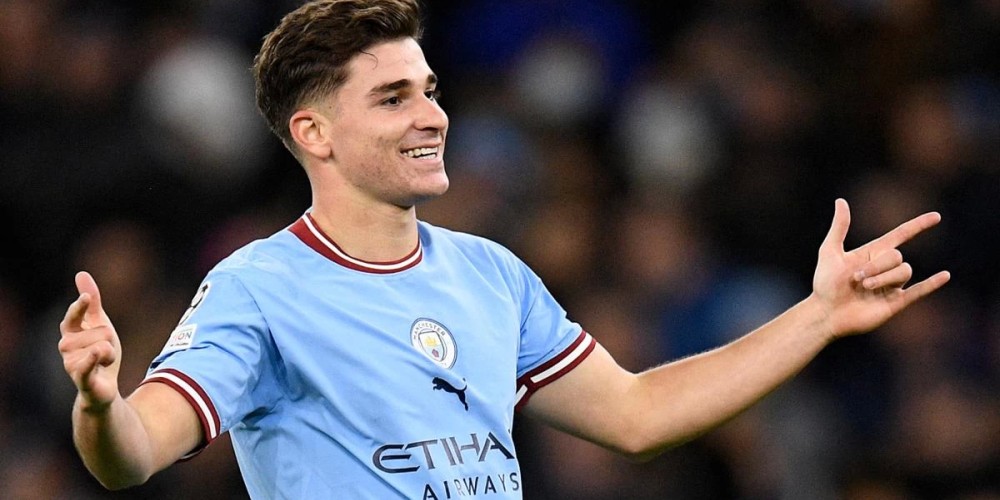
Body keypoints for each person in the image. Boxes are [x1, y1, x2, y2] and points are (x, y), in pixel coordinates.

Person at [57, 0, 951, 498]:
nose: (432, 116)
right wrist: (100, 402)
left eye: (431, 90)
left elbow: (638, 416)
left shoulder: (489, 273)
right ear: (314, 133)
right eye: (394, 98)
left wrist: (818, 316)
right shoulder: (258, 287)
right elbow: (134, 451)